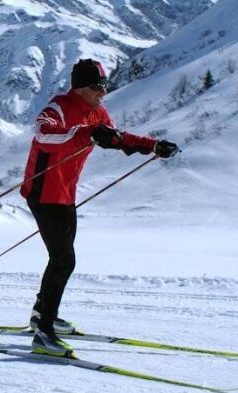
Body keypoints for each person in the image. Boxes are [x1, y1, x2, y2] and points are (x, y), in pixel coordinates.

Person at [20, 59, 180, 357]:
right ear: (79, 86)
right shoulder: (56, 109)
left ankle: (41, 313)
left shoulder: (97, 113)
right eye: (97, 87)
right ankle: (44, 333)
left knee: (60, 258)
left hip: (66, 195)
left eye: (105, 86)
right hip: (42, 193)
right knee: (64, 260)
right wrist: (86, 134)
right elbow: (44, 136)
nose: (103, 92)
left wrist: (153, 145)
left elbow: (117, 137)